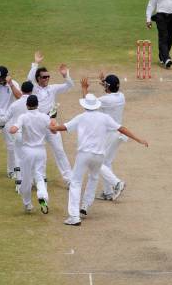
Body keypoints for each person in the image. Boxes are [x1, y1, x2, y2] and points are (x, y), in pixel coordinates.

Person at [49, 94, 149, 226]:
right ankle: (85, 206)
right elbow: (121, 128)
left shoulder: (81, 117)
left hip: (84, 154)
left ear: (85, 105)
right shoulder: (105, 118)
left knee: (76, 182)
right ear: (96, 106)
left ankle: (74, 216)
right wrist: (138, 139)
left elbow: (64, 127)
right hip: (99, 155)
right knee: (93, 178)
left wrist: (53, 127)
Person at [26, 51, 73, 186]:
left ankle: (69, 179)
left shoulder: (53, 88)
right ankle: (37, 178)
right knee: (37, 151)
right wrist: (36, 63)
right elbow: (29, 79)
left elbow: (69, 86)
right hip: (37, 125)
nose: (47, 79)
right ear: (38, 78)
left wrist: (66, 75)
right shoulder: (33, 88)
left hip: (51, 123)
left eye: (48, 76)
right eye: (44, 77)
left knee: (59, 150)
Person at [80, 73, 126, 201]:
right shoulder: (121, 96)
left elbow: (88, 104)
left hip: (109, 135)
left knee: (98, 162)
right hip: (118, 134)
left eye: (105, 85)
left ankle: (117, 183)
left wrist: (84, 88)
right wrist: (103, 82)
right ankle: (108, 192)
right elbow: (111, 90)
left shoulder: (106, 100)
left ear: (108, 87)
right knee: (106, 162)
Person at [9, 95, 51, 214]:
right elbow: (53, 130)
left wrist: (12, 128)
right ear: (38, 105)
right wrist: (52, 119)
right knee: (39, 176)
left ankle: (27, 204)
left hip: (27, 152)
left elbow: (13, 129)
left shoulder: (24, 117)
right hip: (41, 151)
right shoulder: (44, 117)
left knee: (26, 179)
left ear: (27, 105)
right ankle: (42, 195)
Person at [0, 81, 34, 192]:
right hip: (30, 135)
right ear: (31, 91)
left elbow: (5, 118)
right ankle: (30, 181)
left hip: (17, 134)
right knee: (30, 157)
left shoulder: (15, 104)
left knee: (18, 158)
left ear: (21, 90)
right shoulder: (33, 103)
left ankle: (19, 185)